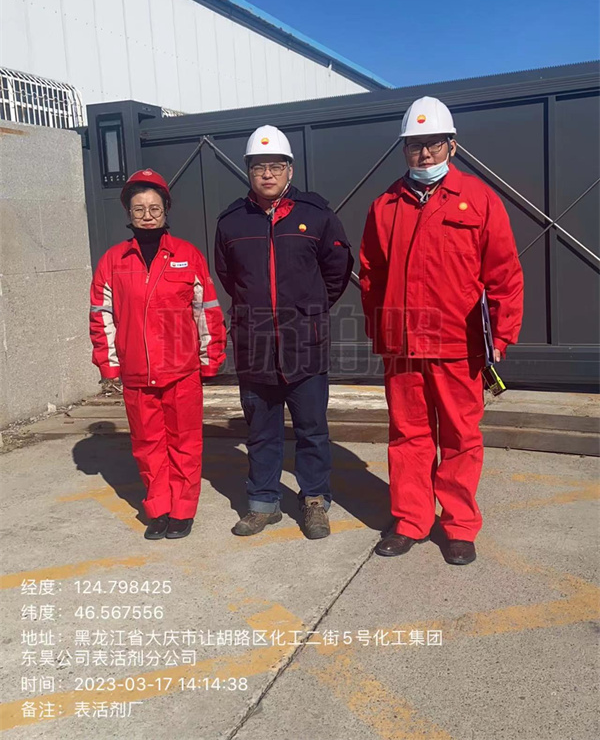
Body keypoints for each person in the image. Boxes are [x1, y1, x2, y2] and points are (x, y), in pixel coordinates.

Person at [359, 97, 524, 565]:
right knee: (407, 437)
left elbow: (504, 273)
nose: (424, 153)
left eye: (433, 143)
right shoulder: (385, 205)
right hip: (403, 347)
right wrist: (381, 331)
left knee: (460, 437)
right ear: (404, 149)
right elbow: (371, 276)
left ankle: (459, 526)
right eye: (415, 145)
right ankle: (410, 520)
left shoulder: (479, 199)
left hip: (458, 344)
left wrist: (501, 336)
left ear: (452, 145)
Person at [214, 126, 353, 539]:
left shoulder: (317, 215)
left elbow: (336, 272)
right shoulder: (232, 222)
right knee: (261, 431)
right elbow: (229, 277)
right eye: (259, 166)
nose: (267, 174)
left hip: (304, 344)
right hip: (255, 345)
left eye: (276, 166)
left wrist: (307, 310)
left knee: (312, 430)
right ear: (248, 171)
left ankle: (314, 500)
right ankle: (263, 503)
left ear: (290, 169)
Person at [90, 169, 226, 540]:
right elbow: (101, 316)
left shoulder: (187, 255)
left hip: (181, 371)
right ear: (128, 213)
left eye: (154, 208)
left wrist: (210, 357)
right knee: (148, 447)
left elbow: (206, 310)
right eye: (139, 209)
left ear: (166, 209)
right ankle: (159, 508)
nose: (147, 215)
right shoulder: (113, 261)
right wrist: (109, 364)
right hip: (137, 374)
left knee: (184, 444)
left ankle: (182, 510)